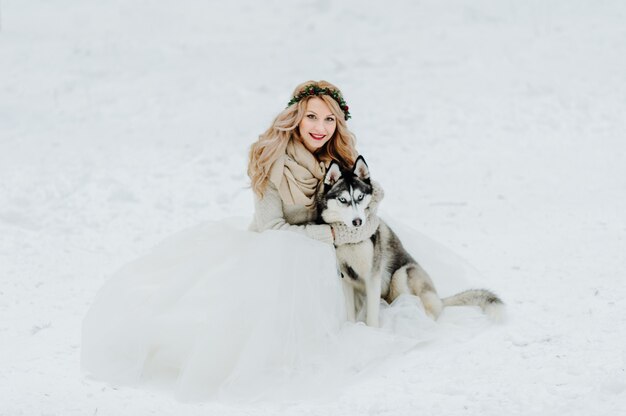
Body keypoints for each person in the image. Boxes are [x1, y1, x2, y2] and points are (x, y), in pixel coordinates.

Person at [81, 80, 485, 402]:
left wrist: (363, 209)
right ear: (295, 116)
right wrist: (328, 234)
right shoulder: (269, 159)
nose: (319, 128)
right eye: (311, 116)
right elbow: (272, 229)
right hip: (278, 251)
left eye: (329, 120)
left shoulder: (335, 158)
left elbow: (359, 197)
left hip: (329, 251)